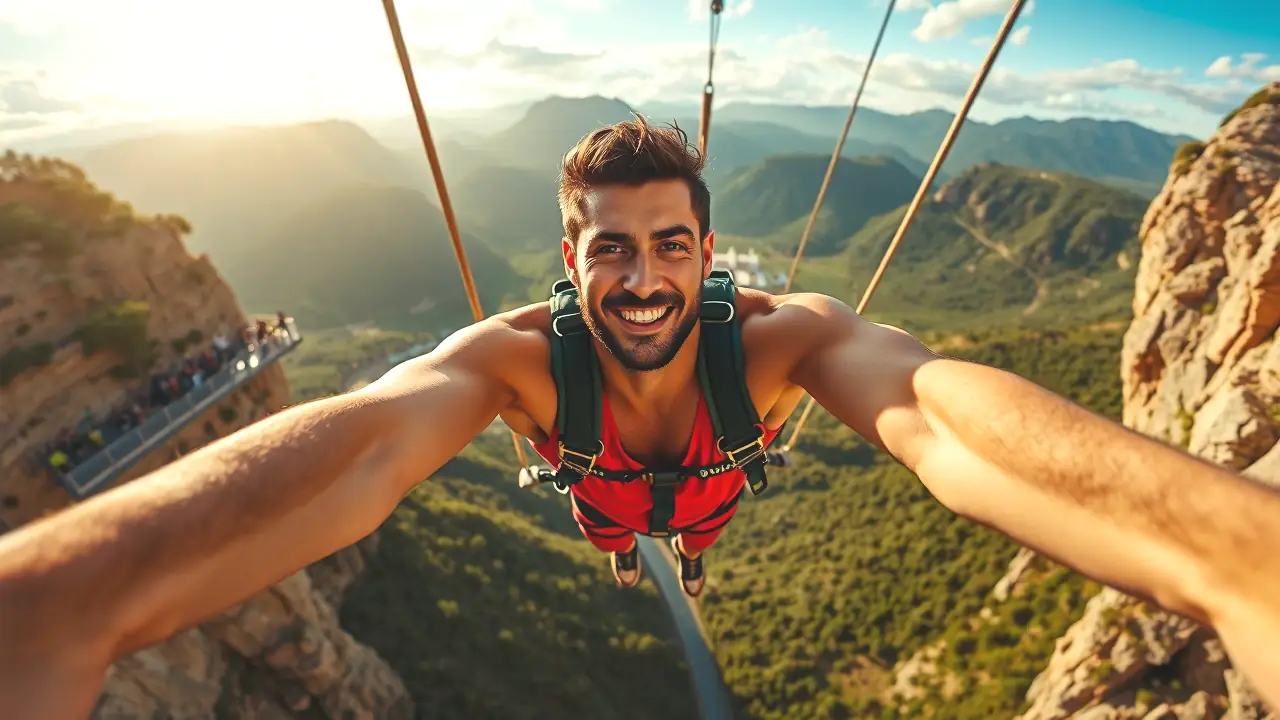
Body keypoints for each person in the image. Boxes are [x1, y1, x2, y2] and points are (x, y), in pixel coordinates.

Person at [1, 116, 1279, 718]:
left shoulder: (787, 338)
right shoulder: (509, 365)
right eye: (611, 252)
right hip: (616, 492)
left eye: (672, 246)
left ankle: (663, 551)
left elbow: (934, 415)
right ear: (570, 266)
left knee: (678, 527)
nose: (646, 278)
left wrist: (1229, 554)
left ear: (707, 252)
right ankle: (632, 548)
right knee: (626, 525)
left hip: (702, 491)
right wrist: (75, 594)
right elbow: (375, 440)